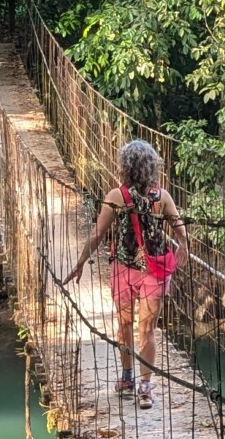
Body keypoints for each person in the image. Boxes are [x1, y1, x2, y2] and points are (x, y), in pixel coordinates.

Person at [65, 138, 188, 407]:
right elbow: (180, 229)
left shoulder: (116, 197)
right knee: (148, 330)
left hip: (123, 270)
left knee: (124, 326)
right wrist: (184, 248)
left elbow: (97, 234)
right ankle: (145, 388)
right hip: (154, 272)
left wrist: (80, 263)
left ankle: (128, 378)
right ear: (152, 166)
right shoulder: (162, 197)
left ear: (125, 166)